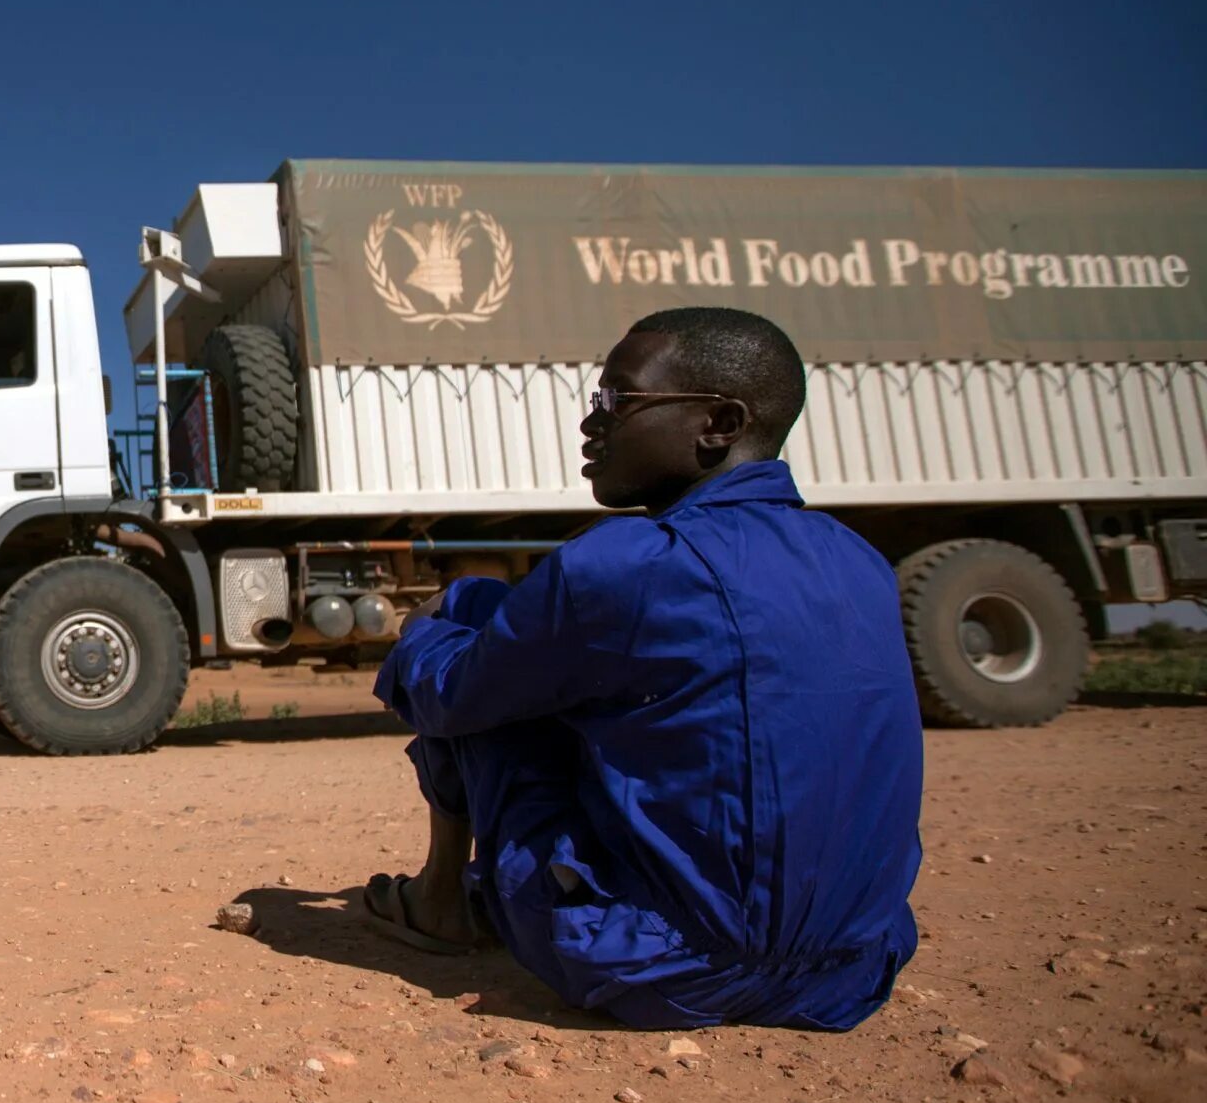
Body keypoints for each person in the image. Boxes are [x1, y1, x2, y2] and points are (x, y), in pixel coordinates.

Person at [364, 307, 922, 1030]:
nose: (590, 424)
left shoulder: (626, 564)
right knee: (519, 634)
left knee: (469, 659)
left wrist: (419, 632)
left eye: (615, 400)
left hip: (662, 968)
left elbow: (451, 696)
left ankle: (441, 899)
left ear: (718, 423)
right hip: (850, 970)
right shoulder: (860, 561)